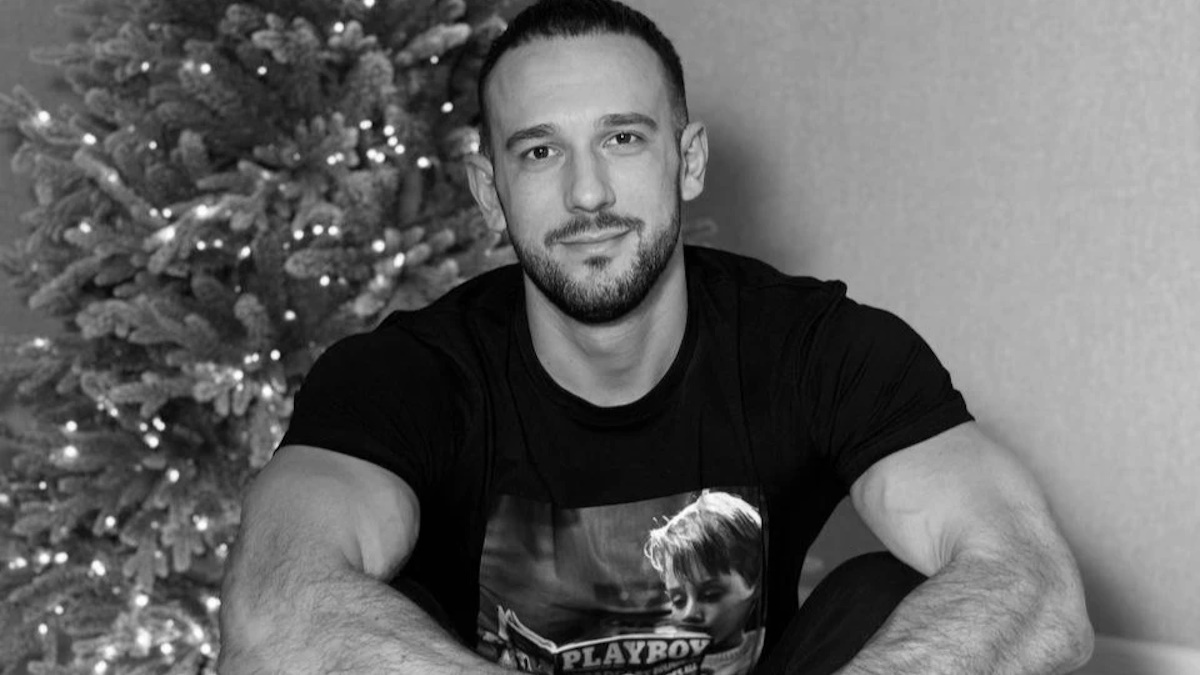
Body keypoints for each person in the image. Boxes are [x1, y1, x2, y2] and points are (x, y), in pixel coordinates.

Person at [217, 0, 1095, 673]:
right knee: (375, 606)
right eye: (539, 152)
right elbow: (271, 612)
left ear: (689, 159)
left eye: (624, 138)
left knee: (886, 593)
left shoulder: (817, 347)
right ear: (490, 194)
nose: (587, 193)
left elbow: (1035, 586)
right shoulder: (403, 376)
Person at [643, 491, 765, 675]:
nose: (690, 613)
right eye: (678, 601)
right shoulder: (660, 658)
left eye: (710, 595)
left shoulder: (766, 649)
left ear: (755, 583)